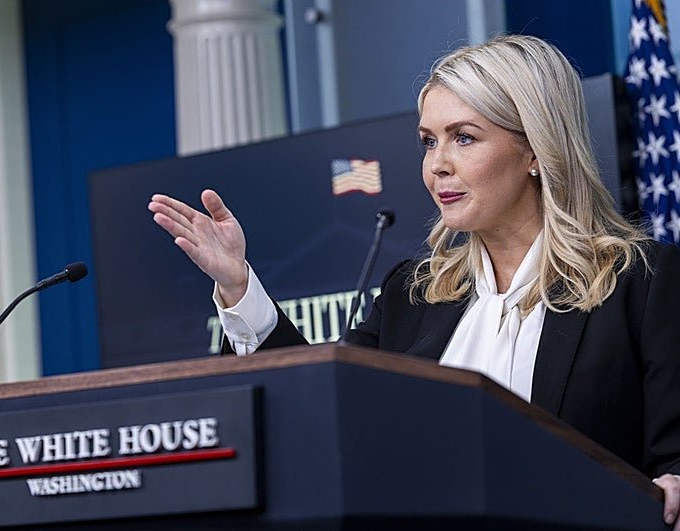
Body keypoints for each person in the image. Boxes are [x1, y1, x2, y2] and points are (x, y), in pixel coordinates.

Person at [148, 34, 680, 526]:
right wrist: (239, 287)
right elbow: (319, 408)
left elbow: (672, 457)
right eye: (428, 141)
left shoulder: (641, 284)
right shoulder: (412, 294)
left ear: (535, 151)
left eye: (464, 138)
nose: (437, 165)